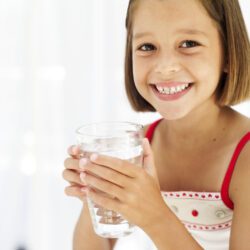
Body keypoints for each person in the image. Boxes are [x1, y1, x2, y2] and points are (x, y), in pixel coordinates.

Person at [63, 0, 250, 249]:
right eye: (147, 46)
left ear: (229, 53)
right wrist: (97, 193)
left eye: (188, 44)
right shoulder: (135, 147)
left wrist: (154, 216)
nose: (165, 67)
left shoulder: (245, 158)